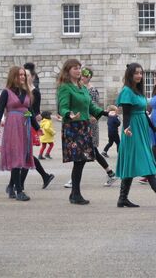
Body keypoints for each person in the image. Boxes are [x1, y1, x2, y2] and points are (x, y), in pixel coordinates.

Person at [116, 63, 156, 208]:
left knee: (131, 162)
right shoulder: (127, 91)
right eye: (136, 73)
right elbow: (126, 113)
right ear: (130, 74)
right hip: (132, 130)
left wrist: (154, 128)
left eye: (141, 73)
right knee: (147, 162)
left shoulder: (138, 91)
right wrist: (126, 128)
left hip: (141, 128)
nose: (139, 75)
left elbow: (143, 112)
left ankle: (122, 198)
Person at [57, 59, 110, 205]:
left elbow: (90, 107)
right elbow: (62, 106)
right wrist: (68, 114)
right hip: (73, 127)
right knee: (79, 161)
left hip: (84, 126)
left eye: (79, 68)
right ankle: (75, 194)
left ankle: (75, 193)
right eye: (75, 68)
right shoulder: (65, 87)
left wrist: (105, 113)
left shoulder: (82, 87)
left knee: (81, 161)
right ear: (68, 71)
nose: (78, 70)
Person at [64, 67, 117, 188]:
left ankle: (74, 180)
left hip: (89, 124)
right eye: (81, 75)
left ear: (88, 77)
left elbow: (93, 108)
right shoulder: (78, 89)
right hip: (81, 123)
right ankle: (110, 173)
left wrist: (95, 117)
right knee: (90, 151)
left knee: (85, 151)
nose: (81, 77)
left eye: (84, 76)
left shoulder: (91, 90)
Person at [0, 66, 41, 201]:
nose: (22, 77)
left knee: (22, 156)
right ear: (13, 76)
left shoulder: (26, 92)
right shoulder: (6, 92)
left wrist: (37, 127)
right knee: (16, 156)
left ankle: (11, 186)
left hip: (24, 127)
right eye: (19, 75)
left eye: (23, 75)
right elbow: (0, 110)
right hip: (12, 126)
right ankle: (19, 190)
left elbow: (28, 111)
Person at [19, 69, 55, 189]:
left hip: (29, 124)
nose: (24, 77)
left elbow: (35, 113)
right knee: (24, 154)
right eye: (23, 74)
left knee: (25, 154)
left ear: (32, 77)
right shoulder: (19, 90)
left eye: (27, 75)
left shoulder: (34, 92)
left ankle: (18, 185)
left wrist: (24, 115)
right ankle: (45, 176)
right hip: (19, 125)